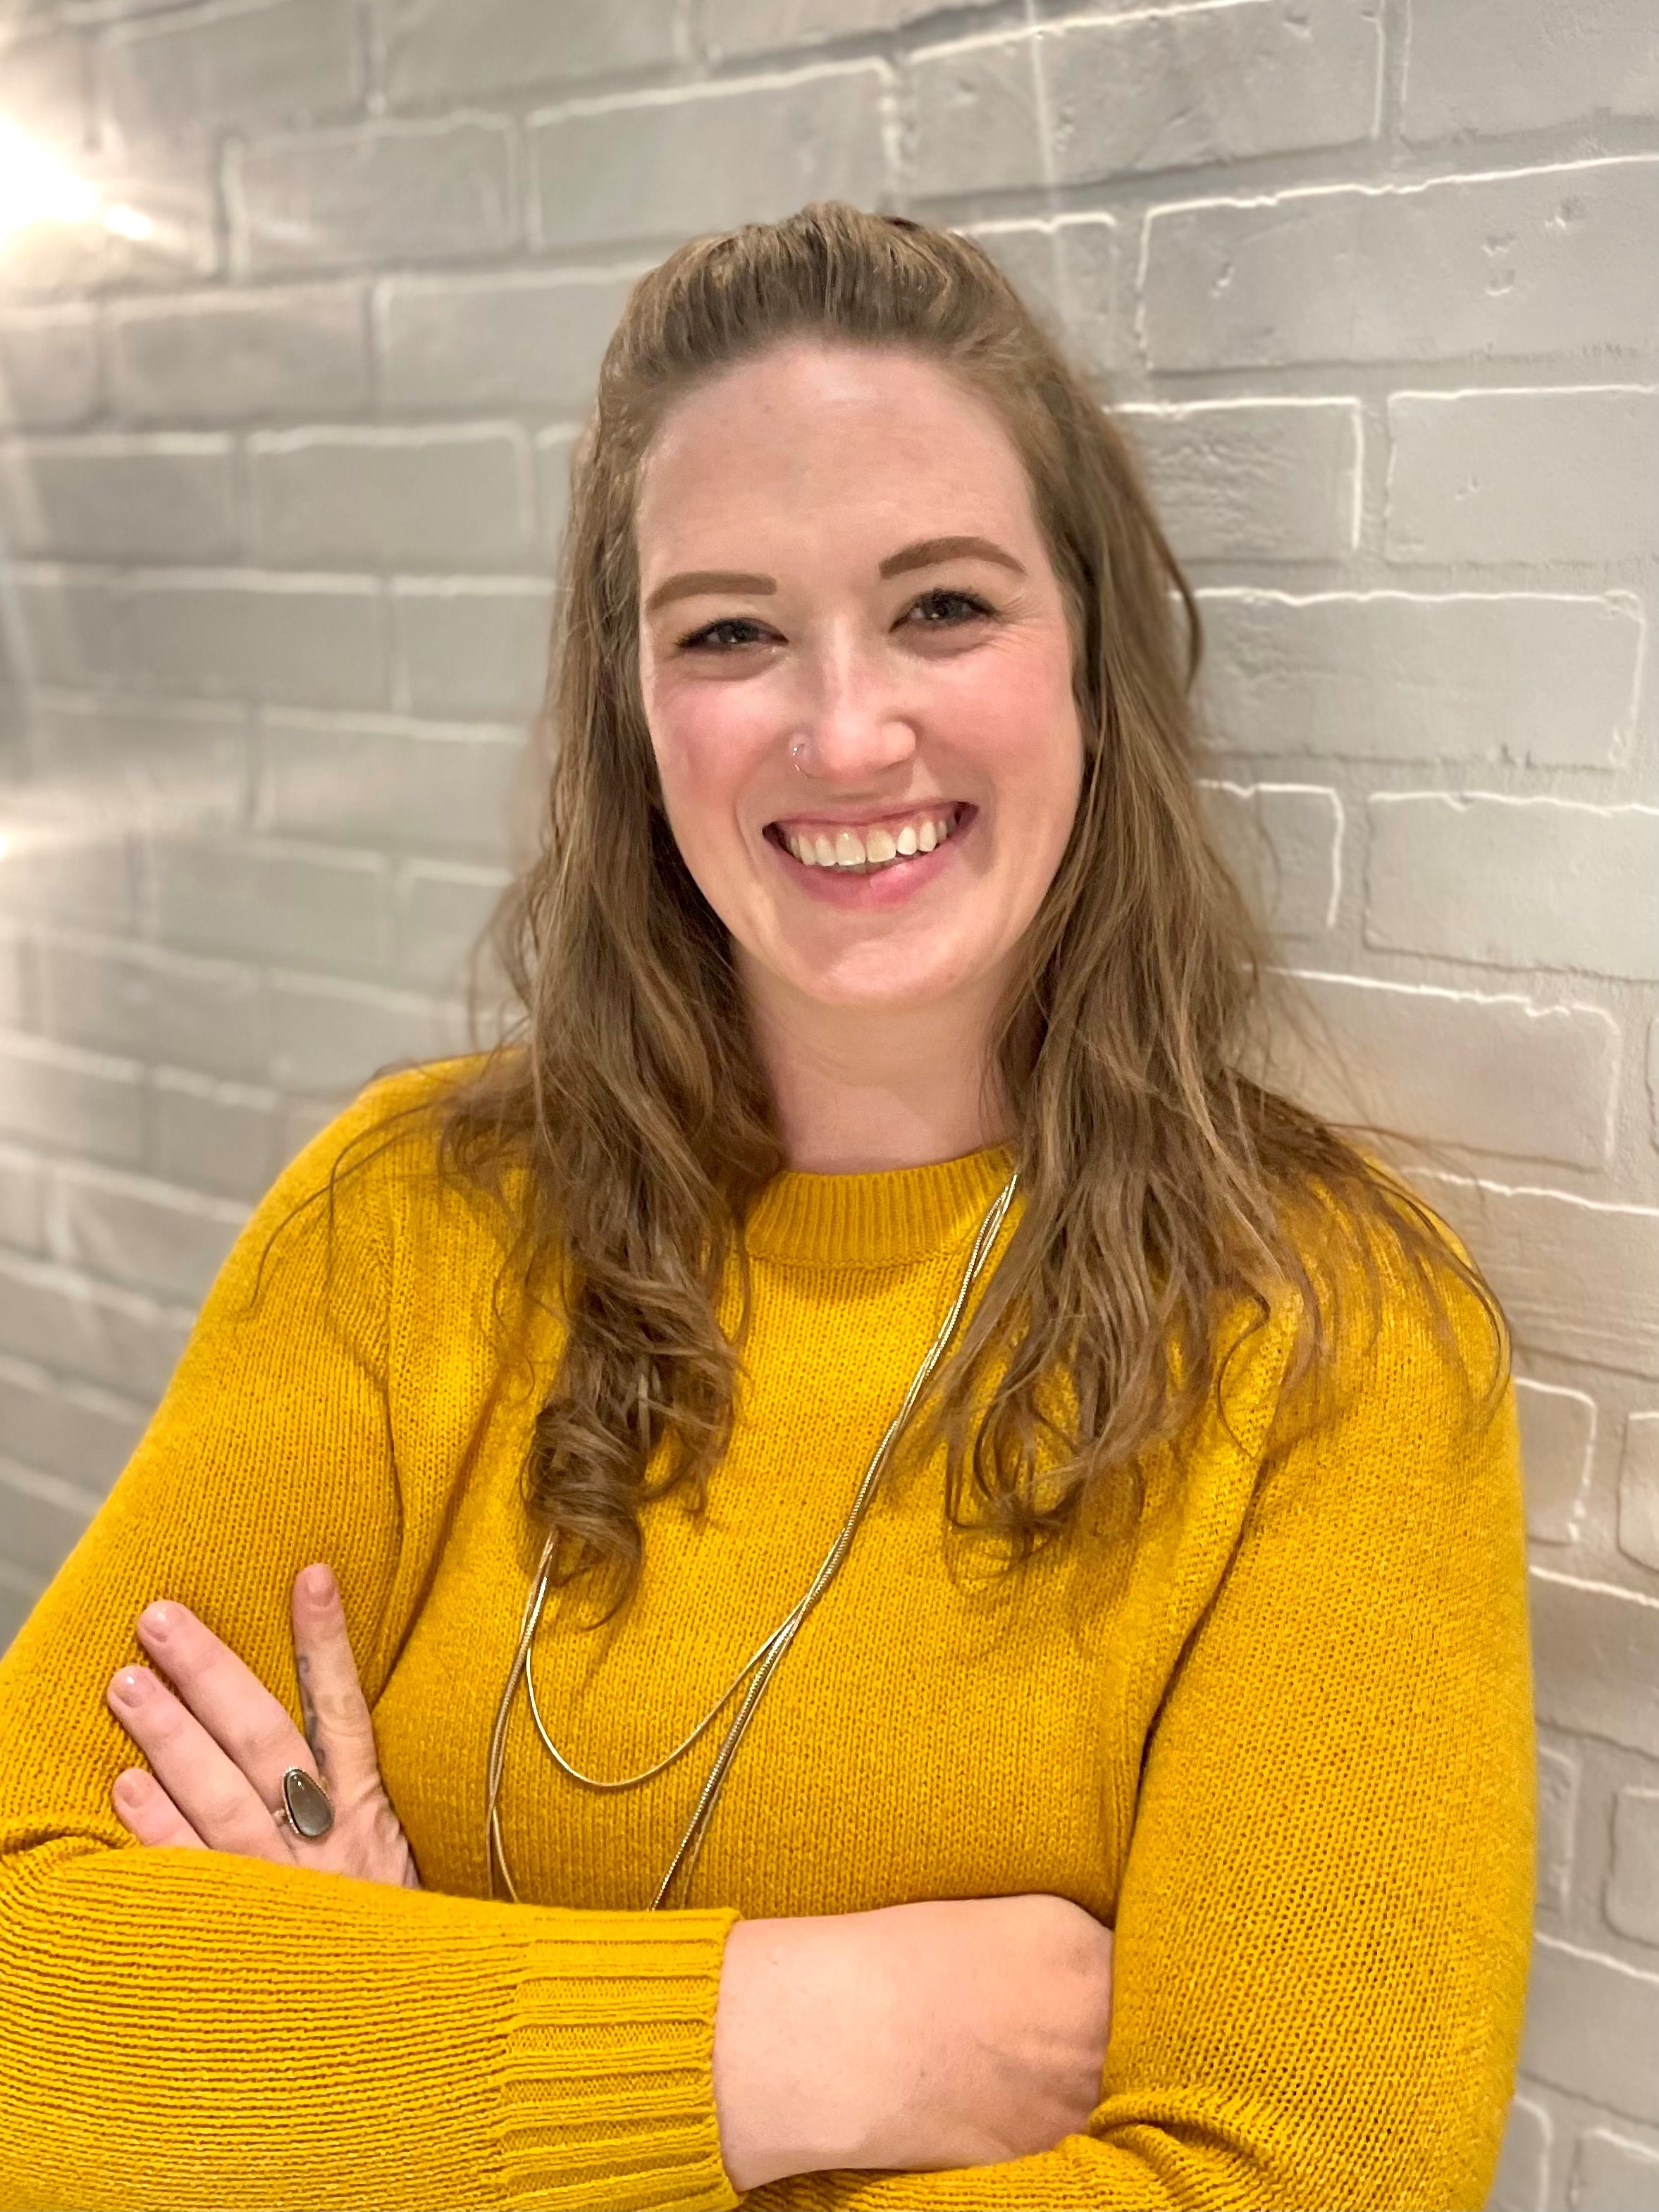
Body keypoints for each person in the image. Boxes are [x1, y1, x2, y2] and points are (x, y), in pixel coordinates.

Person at [0, 203, 1534, 2211]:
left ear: (1091, 655)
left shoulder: (1328, 1343)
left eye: (942, 608)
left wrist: (353, 2058)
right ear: (635, 710)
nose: (842, 729)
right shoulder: (404, 1228)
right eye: (728, 631)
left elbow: (1280, 2179)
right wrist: (815, 2038)